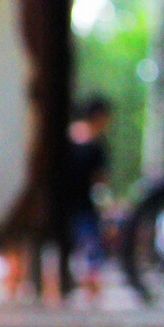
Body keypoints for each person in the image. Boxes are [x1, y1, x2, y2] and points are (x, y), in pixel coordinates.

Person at [65, 96, 113, 302]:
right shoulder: (96, 143)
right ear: (99, 116)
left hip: (63, 207)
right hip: (85, 208)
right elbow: (100, 183)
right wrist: (108, 210)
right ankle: (91, 292)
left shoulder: (66, 137)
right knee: (92, 251)